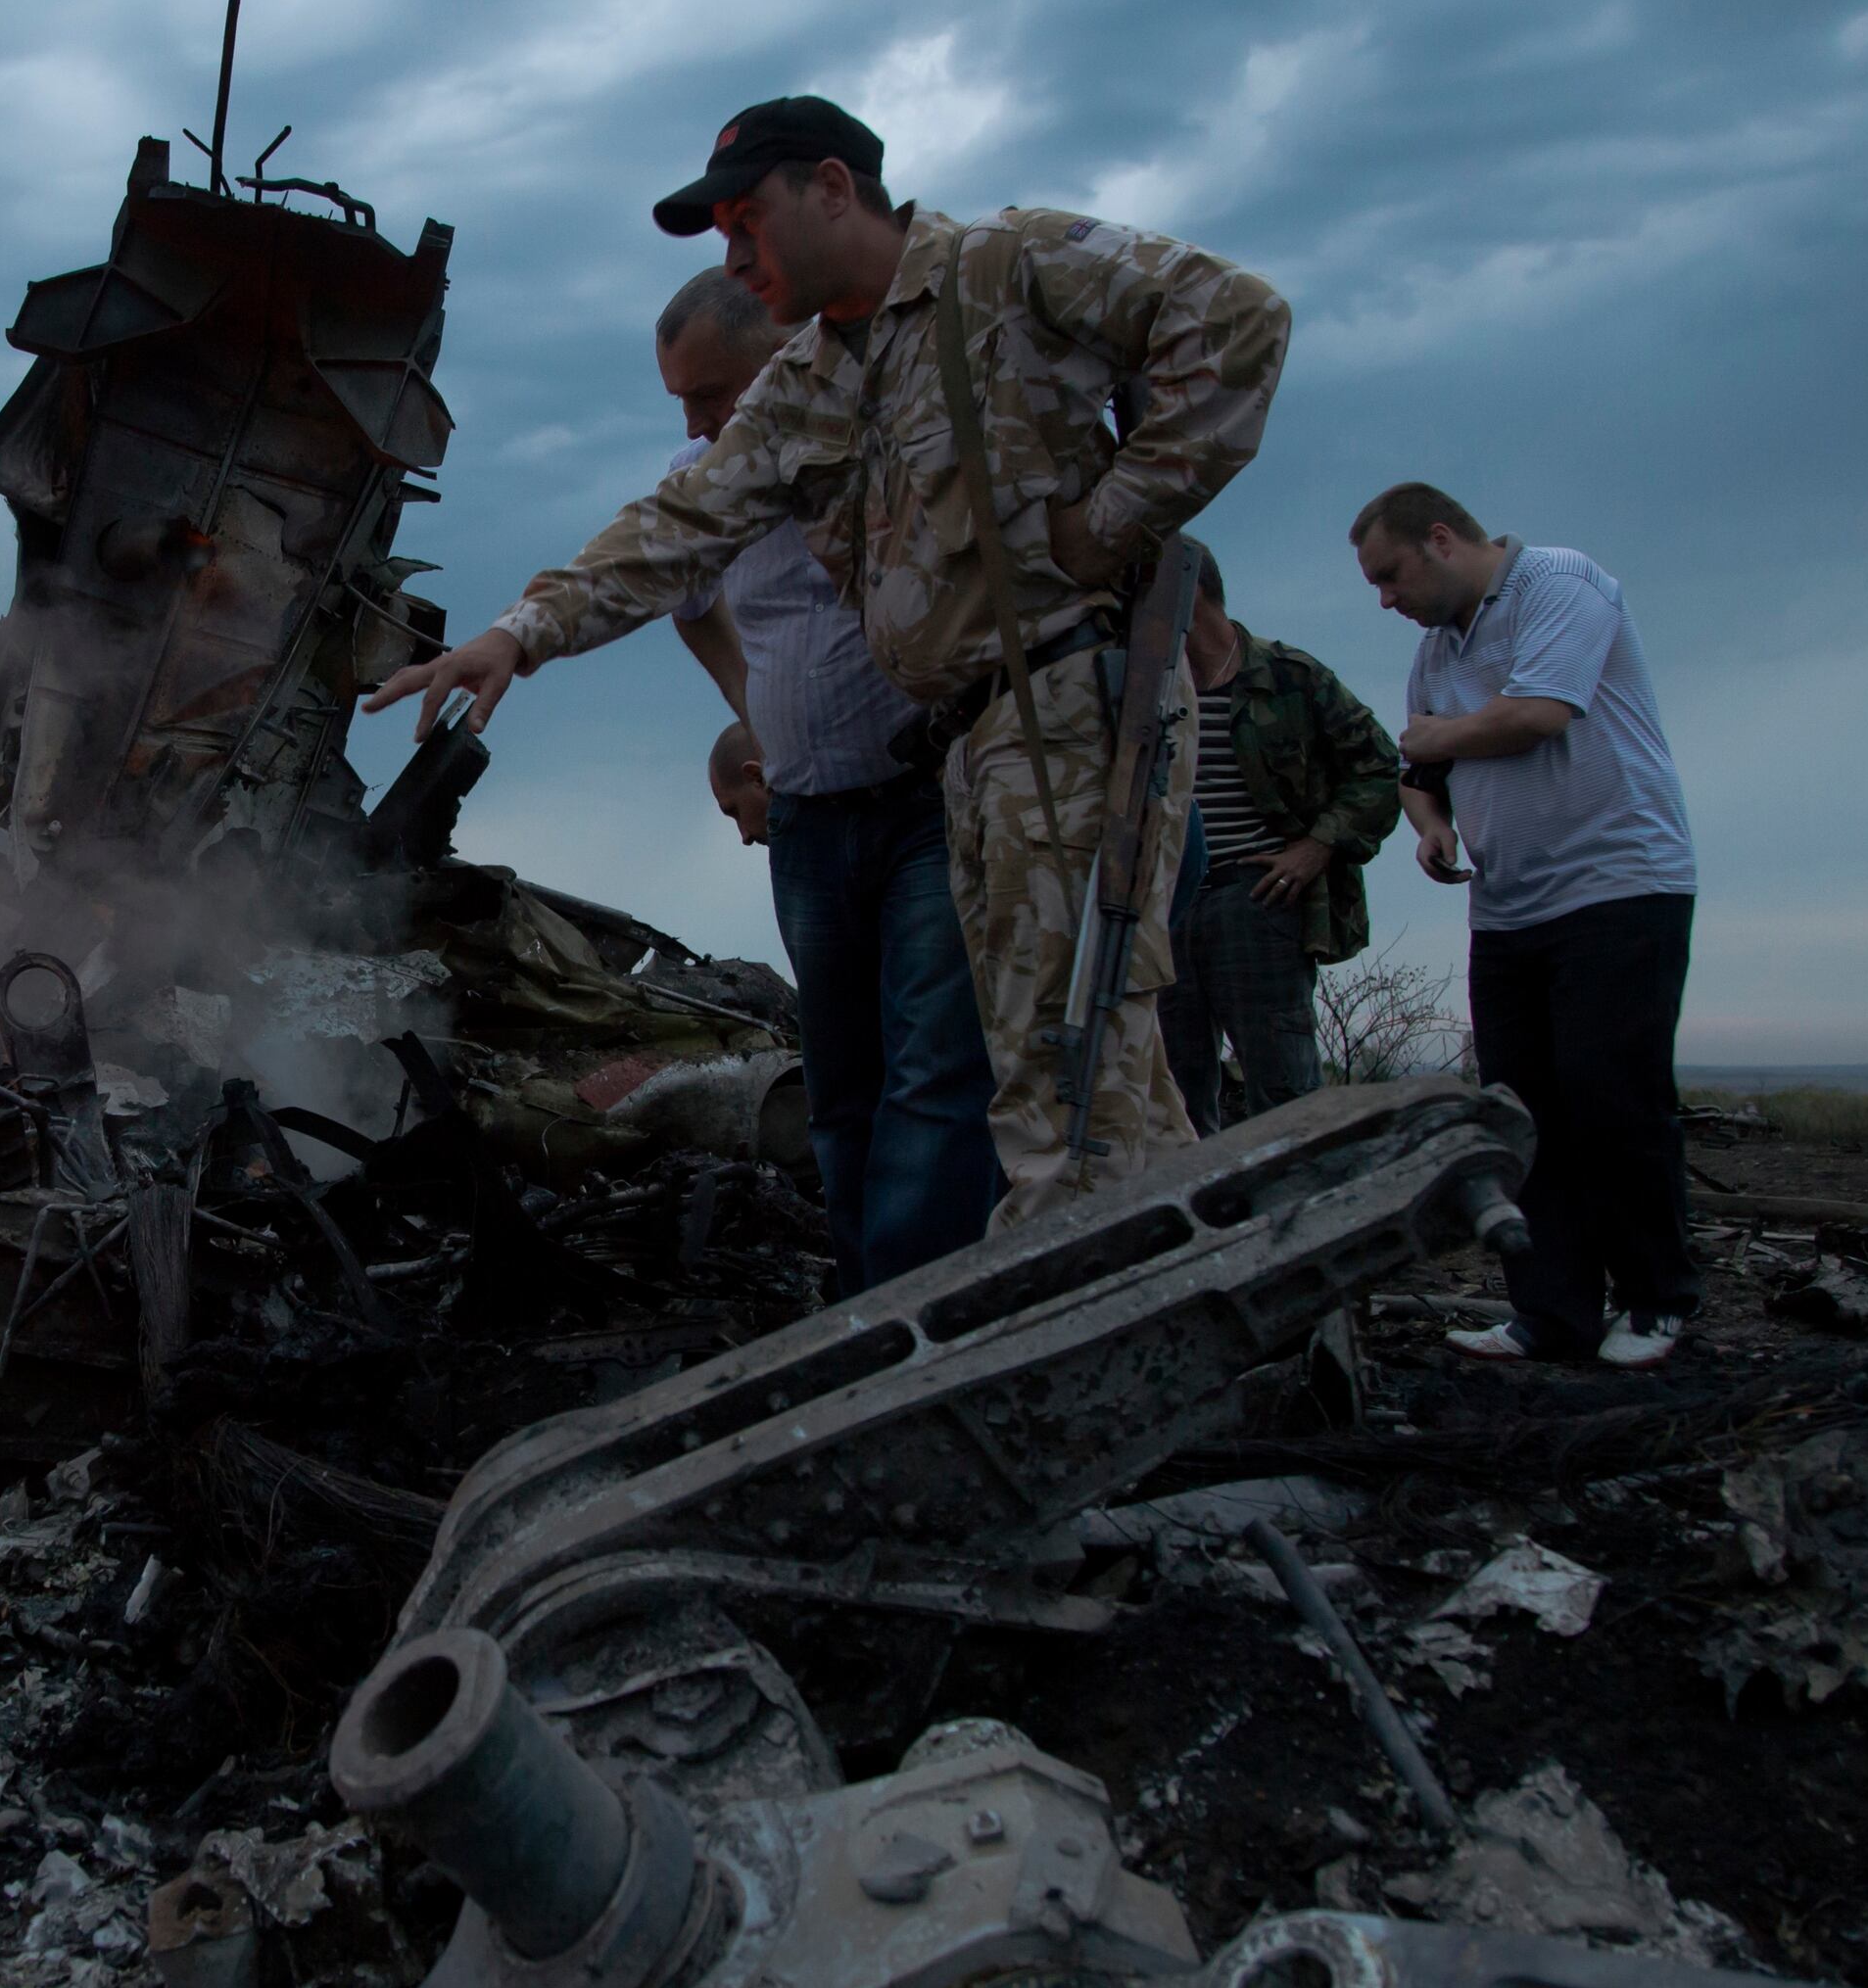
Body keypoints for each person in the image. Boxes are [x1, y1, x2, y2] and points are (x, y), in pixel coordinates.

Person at [366, 97, 1292, 1224]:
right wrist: (521, 631)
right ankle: (1213, 1330)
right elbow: (678, 523)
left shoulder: (1003, 266)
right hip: (974, 748)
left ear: (835, 189)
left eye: (748, 217)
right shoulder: (814, 378)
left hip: (1066, 710)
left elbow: (1238, 321)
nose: (735, 251)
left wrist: (1110, 521)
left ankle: (1052, 1363)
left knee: (1065, 1082)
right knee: (1102, 1087)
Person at [656, 267, 999, 1292]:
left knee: (937, 1069)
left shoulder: (888, 435)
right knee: (843, 1082)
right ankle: (864, 1300)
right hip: (807, 815)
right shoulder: (702, 473)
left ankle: (920, 1314)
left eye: (713, 393)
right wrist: (752, 707)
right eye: (680, 399)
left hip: (928, 804)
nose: (698, 419)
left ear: (786, 357)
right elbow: (684, 599)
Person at [1353, 482, 1700, 1368]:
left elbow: (1538, 716)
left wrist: (1433, 742)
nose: (1386, 601)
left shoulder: (1558, 584)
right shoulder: (1437, 650)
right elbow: (1416, 770)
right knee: (1522, 1113)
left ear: (1441, 539)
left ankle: (1658, 1301)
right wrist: (1430, 828)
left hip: (1618, 887)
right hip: (1507, 908)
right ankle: (1553, 1314)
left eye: (1391, 577)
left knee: (1613, 1100)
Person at [1160, 559, 1403, 1130]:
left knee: (1285, 1089)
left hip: (1257, 897)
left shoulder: (1288, 675)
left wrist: (1316, 848)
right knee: (1169, 1098)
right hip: (1162, 902)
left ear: (1188, 589)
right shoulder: (1144, 684)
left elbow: (1380, 767)